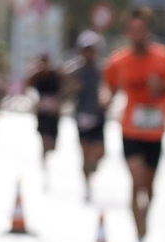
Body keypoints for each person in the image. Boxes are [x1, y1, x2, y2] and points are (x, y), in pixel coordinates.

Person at [105, 7, 165, 242]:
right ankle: (139, 237)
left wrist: (163, 86)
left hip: (155, 131)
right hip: (130, 129)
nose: (137, 35)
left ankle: (144, 222)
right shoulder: (119, 60)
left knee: (148, 188)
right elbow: (107, 86)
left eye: (141, 30)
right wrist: (105, 97)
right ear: (127, 32)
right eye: (133, 30)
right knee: (136, 181)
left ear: (148, 30)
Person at [68, 32, 108, 202]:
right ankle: (87, 185)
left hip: (98, 116)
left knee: (99, 151)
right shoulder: (75, 71)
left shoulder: (102, 71)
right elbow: (68, 92)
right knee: (85, 153)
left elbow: (110, 90)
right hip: (82, 116)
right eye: (86, 50)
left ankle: (92, 167)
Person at [24, 54, 65, 190]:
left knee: (52, 144)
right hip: (42, 115)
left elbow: (64, 88)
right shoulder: (37, 77)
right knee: (44, 140)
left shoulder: (55, 76)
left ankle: (46, 154)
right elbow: (27, 88)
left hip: (53, 115)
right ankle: (44, 163)